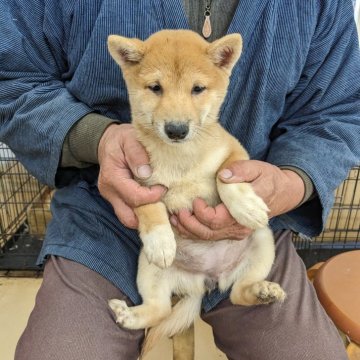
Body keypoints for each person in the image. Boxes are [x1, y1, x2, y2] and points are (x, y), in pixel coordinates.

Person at [0, 1, 359, 359]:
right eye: (155, 88)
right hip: (101, 214)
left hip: (245, 222)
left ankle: (243, 287)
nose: (176, 117)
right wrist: (95, 137)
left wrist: (290, 183)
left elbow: (336, 110)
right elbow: (11, 80)